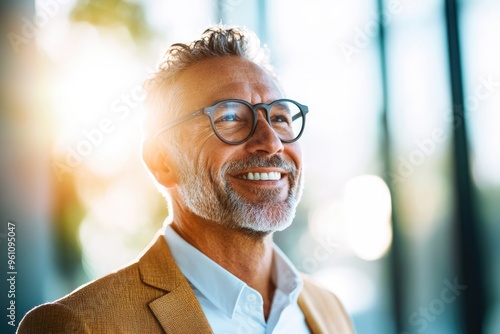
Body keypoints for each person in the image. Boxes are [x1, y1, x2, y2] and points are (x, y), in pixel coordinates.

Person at [18, 25, 354, 334]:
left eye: (280, 117)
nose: (271, 142)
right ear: (161, 161)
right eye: (232, 117)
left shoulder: (329, 308)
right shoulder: (80, 325)